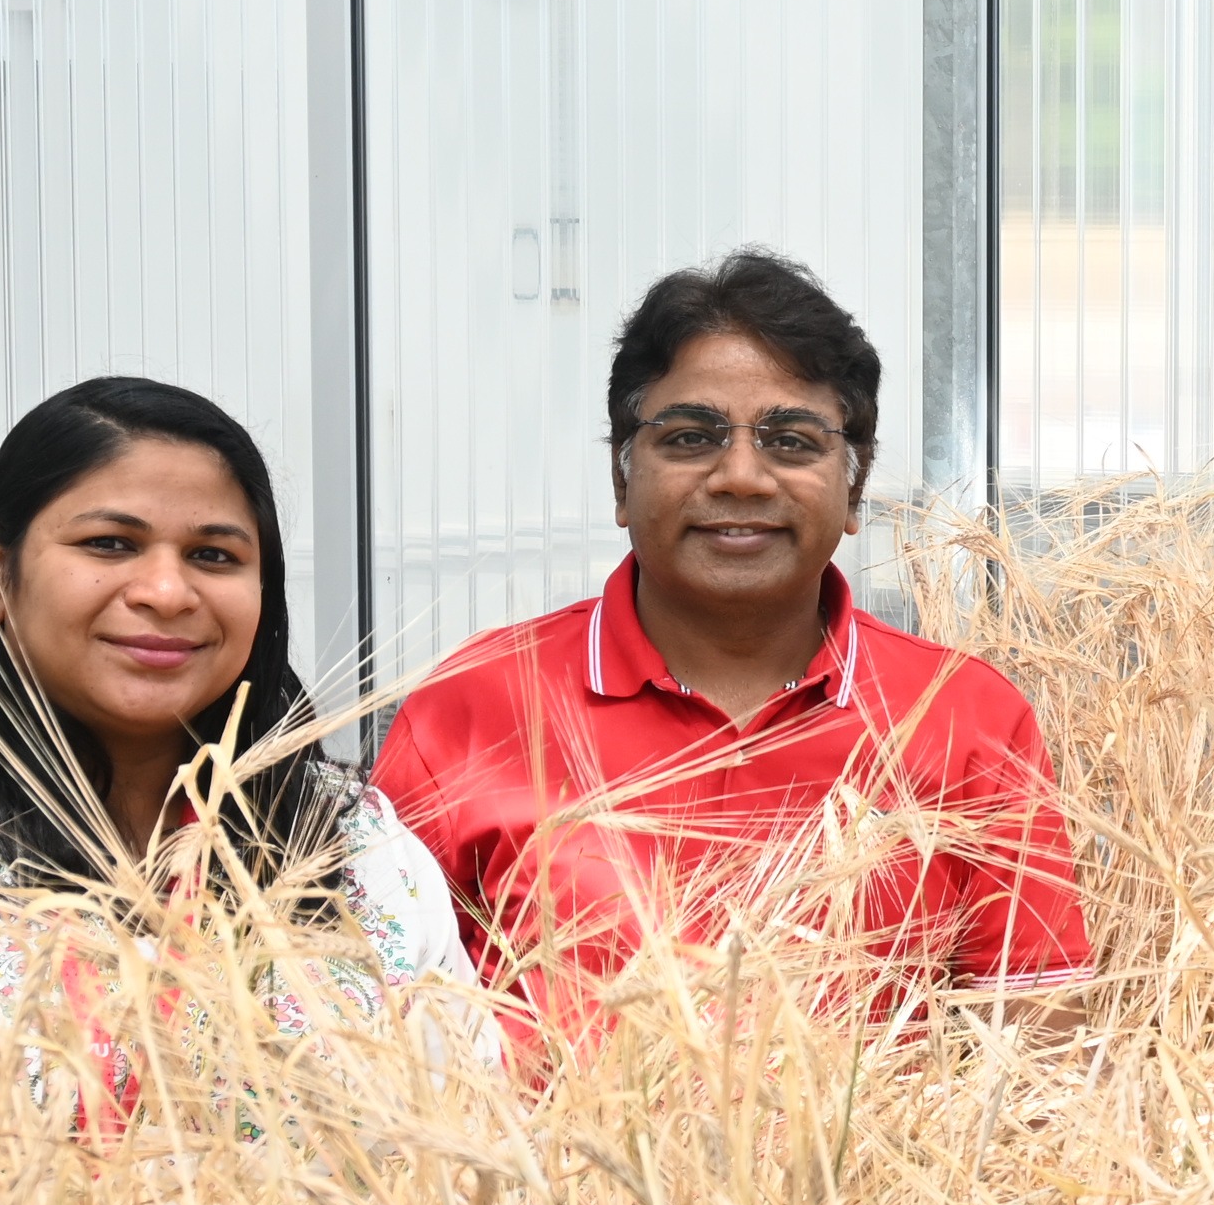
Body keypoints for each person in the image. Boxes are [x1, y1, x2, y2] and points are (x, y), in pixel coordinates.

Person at [0, 377, 499, 1205]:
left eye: (214, 555)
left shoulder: (350, 844)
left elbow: (469, 1166)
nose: (165, 591)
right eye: (111, 544)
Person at [374, 252, 1093, 1063]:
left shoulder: (966, 717)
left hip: (870, 1191)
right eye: (691, 437)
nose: (742, 476)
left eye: (791, 441)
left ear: (853, 494)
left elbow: (1043, 1075)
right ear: (620, 479)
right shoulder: (467, 709)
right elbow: (373, 1032)